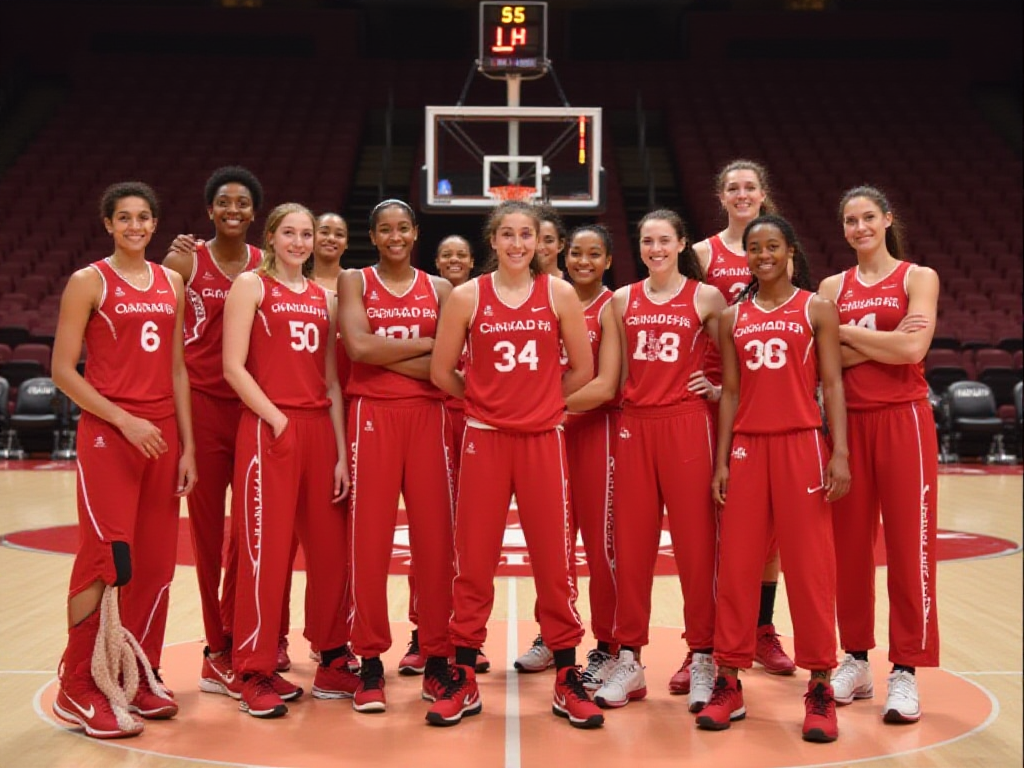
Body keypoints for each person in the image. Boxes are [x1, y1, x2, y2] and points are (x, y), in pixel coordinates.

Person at [428, 200, 603, 729]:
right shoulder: (466, 296)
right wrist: (485, 402)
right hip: (484, 439)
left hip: (542, 439)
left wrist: (542, 402)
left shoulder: (559, 293)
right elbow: (442, 372)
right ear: (494, 239)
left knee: (555, 561)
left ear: (538, 241)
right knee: (473, 561)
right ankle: (463, 675)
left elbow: (583, 367)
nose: (518, 243)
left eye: (527, 234)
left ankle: (567, 674)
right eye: (508, 233)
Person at [51, 182, 197, 739]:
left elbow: (178, 369)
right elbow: (65, 371)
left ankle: (132, 672)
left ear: (155, 224)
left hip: (161, 438)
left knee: (156, 564)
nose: (135, 226)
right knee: (106, 560)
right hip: (112, 435)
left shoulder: (172, 283)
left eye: (144, 218)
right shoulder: (88, 281)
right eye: (124, 218)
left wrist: (185, 446)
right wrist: (124, 420)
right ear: (109, 224)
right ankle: (78, 687)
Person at [698, 214, 850, 744]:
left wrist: (840, 452)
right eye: (754, 248)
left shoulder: (817, 308)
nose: (763, 255)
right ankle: (729, 679)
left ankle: (821, 685)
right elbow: (730, 394)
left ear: (789, 250)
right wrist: (720, 460)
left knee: (810, 570)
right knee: (737, 566)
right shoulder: (732, 317)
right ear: (745, 255)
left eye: (772, 246)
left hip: (802, 444)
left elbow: (832, 383)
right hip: (746, 446)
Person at [223, 202, 354, 719]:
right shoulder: (251, 287)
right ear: (272, 237)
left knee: (330, 553)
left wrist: (343, 452)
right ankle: (252, 668)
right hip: (268, 429)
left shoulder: (325, 299)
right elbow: (233, 367)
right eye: (291, 233)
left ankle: (330, 655)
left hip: (321, 430)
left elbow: (332, 382)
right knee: (265, 553)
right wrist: (276, 419)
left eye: (309, 233)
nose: (300, 242)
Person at [593, 209, 724, 714]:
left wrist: (713, 390)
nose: (655, 249)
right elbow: (615, 373)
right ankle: (630, 658)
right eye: (647, 241)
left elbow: (732, 368)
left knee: (695, 547)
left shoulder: (707, 297)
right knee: (631, 547)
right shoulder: (622, 299)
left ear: (681, 242)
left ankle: (703, 655)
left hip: (687, 423)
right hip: (635, 424)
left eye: (664, 240)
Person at [818, 186, 940, 724]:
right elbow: (826, 364)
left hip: (905, 421)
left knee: (909, 547)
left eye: (869, 216)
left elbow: (913, 350)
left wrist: (844, 334)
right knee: (848, 551)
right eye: (850, 220)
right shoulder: (830, 285)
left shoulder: (918, 277)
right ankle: (857, 659)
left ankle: (906, 670)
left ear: (887, 219)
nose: (860, 226)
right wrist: (880, 339)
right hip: (847, 424)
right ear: (843, 228)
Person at [162, 166, 283, 689]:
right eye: (223, 203)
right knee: (209, 537)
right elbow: (169, 350)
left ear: (255, 214)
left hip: (252, 406)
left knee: (252, 533)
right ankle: (216, 648)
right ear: (210, 210)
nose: (233, 210)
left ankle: (247, 633)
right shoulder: (183, 259)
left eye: (242, 204)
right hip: (204, 405)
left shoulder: (267, 264)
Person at [677, 160, 795, 695]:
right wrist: (703, 383)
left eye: (750, 187)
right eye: (732, 188)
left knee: (767, 527)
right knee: (708, 526)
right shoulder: (701, 254)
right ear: (720, 196)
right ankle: (701, 646)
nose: (742, 194)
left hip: (760, 399)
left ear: (763, 194)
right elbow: (685, 318)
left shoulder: (777, 246)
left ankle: (762, 628)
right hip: (709, 401)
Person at [337, 199, 455, 714]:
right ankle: (368, 662)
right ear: (372, 235)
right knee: (369, 543)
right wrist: (425, 348)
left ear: (415, 232)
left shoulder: (443, 288)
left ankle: (435, 656)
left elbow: (449, 363)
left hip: (430, 419)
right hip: (371, 417)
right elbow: (357, 350)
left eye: (403, 228)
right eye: (384, 229)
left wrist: (396, 352)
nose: (394, 236)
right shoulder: (353, 281)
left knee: (436, 542)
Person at [513, 224, 623, 687]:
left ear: (608, 260)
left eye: (593, 254)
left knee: (601, 546)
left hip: (592, 433)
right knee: (551, 546)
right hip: (544, 434)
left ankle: (608, 645)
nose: (583, 261)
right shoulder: (543, 297)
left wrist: (538, 406)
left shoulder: (613, 305)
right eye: (576, 253)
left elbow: (605, 384)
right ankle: (553, 634)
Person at [398, 233, 491, 677]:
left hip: (478, 422)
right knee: (430, 531)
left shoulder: (485, 300)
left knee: (472, 535)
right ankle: (424, 632)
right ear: (436, 260)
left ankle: (468, 635)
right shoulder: (431, 301)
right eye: (446, 253)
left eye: (462, 253)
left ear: (473, 260)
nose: (454, 259)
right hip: (436, 415)